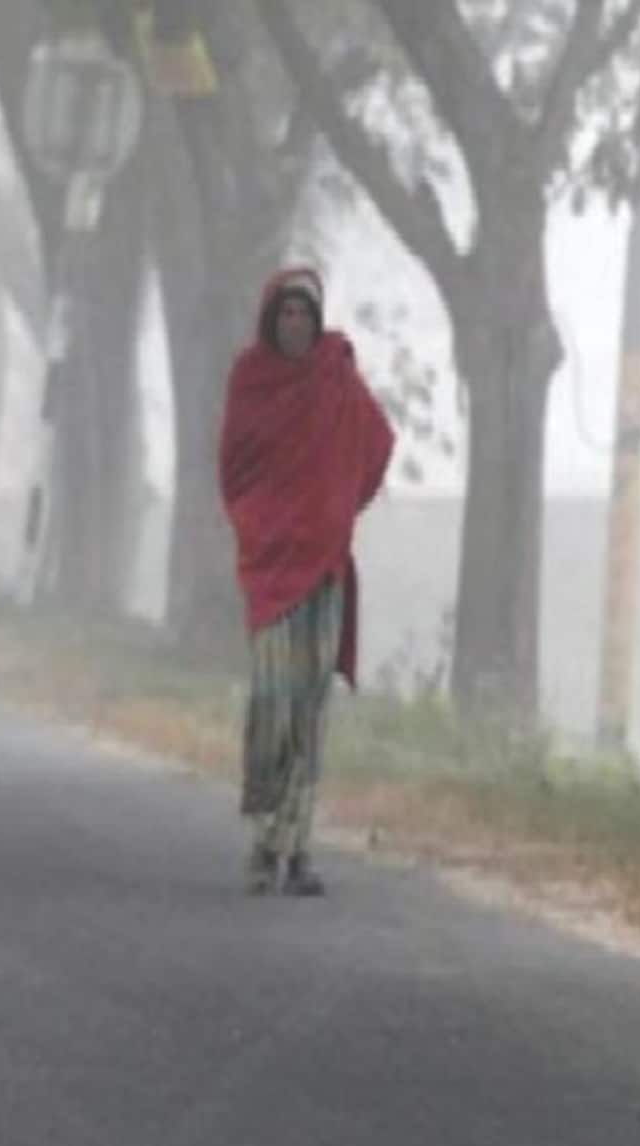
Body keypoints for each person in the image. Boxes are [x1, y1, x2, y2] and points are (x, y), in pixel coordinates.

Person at [218, 267, 394, 897]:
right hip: (270, 570)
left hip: (323, 569)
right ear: (271, 319)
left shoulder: (336, 380)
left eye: (304, 314)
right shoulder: (251, 381)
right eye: (285, 314)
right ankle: (267, 830)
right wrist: (258, 524)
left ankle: (292, 846)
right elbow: (233, 469)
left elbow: (377, 443)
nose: (295, 324)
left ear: (317, 321)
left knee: (311, 707)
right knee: (274, 701)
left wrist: (338, 508)